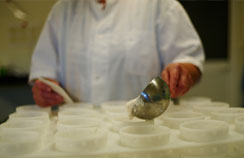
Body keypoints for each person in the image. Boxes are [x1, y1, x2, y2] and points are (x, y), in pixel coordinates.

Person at [29, 0, 205, 107]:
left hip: (143, 135)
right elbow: (44, 71)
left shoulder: (160, 5)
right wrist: (44, 90)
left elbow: (189, 59)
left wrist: (183, 72)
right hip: (76, 134)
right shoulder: (63, 10)